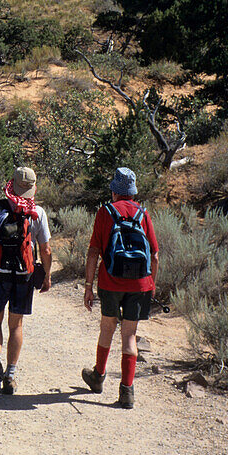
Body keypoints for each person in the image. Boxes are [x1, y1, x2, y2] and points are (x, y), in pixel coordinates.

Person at [81, 167, 159, 409]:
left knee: (107, 328)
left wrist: (88, 285)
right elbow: (154, 255)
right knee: (130, 335)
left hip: (110, 281)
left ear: (114, 191)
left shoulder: (105, 212)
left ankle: (98, 376)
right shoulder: (143, 214)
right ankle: (126, 390)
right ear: (133, 192)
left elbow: (94, 252)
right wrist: (152, 285)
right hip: (139, 284)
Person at [0, 166, 52, 395]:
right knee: (15, 325)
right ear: (33, 188)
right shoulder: (37, 212)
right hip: (24, 276)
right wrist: (46, 275)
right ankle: (10, 376)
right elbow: (45, 249)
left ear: (11, 184)